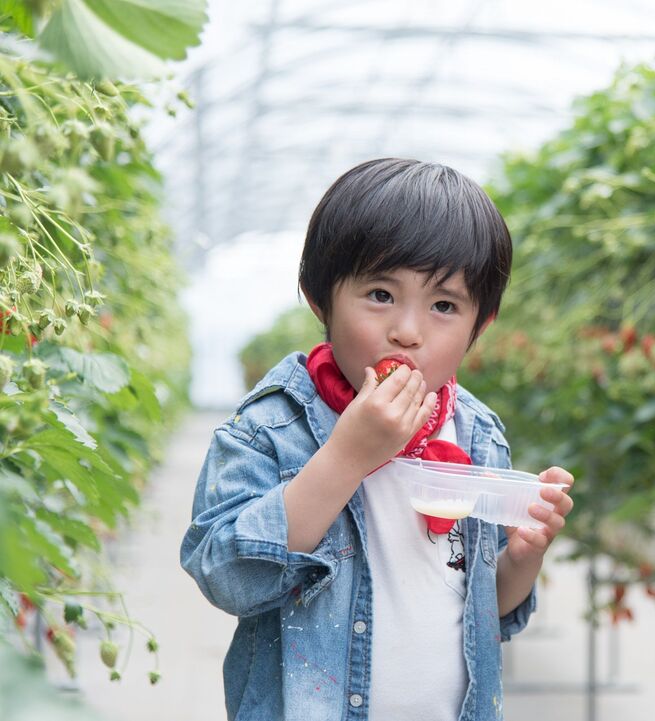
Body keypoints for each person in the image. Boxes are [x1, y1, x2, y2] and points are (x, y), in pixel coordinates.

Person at [180, 158, 574, 721]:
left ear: (479, 326)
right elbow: (228, 577)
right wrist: (347, 456)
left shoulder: (477, 433)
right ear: (320, 299)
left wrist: (522, 558)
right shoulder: (275, 426)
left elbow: (487, 613)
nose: (407, 332)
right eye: (380, 295)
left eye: (444, 306)